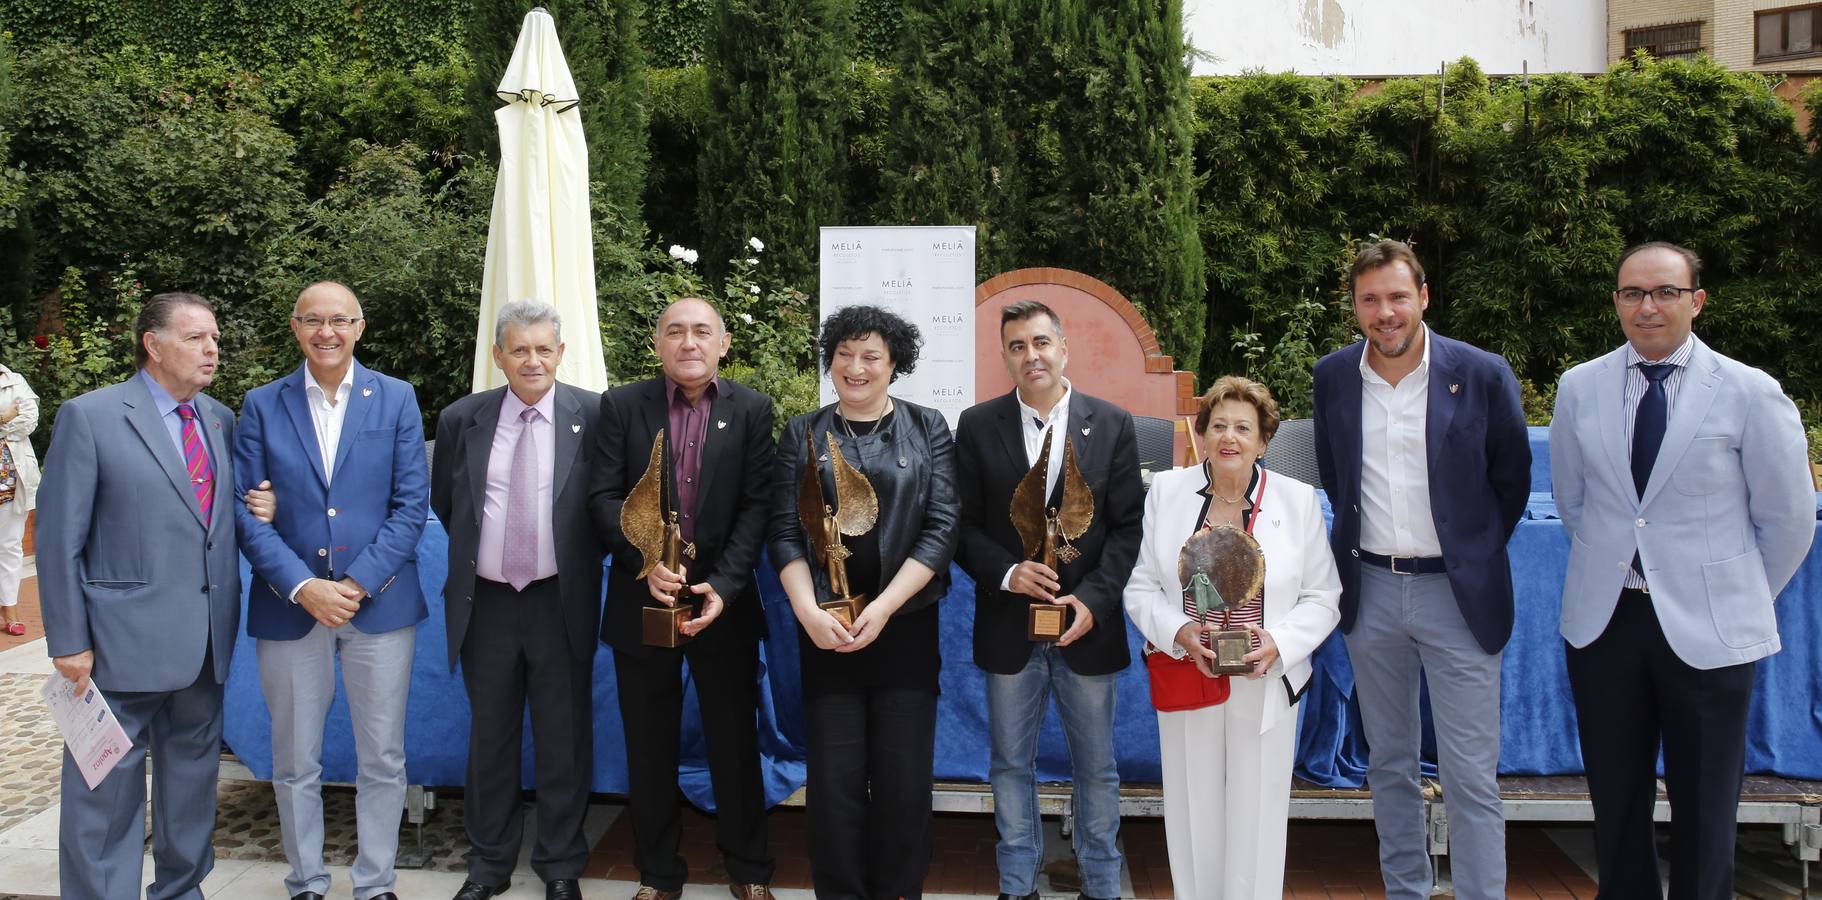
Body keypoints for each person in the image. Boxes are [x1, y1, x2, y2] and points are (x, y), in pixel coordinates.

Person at [1550, 241, 1814, 899]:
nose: (1648, 306)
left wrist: (1732, 594)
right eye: (1633, 293)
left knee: (1705, 810)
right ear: (1616, 302)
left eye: (1665, 292)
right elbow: (1574, 500)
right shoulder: (1580, 386)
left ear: (1696, 300)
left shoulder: (1752, 392)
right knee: (1615, 805)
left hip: (1712, 631)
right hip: (1606, 624)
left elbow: (1788, 522)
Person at [1311, 239, 1531, 900]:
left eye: (1397, 297)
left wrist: (1469, 552)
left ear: (1424, 297)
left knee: (1468, 772)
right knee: (1390, 764)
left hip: (1456, 597)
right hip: (1371, 592)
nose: (1385, 312)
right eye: (1370, 299)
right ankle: (1405, 890)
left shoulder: (1482, 373)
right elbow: (1335, 472)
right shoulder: (1333, 376)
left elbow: (1511, 479)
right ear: (1354, 308)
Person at [38, 292, 242, 900]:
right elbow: (57, 540)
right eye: (195, 338)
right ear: (153, 345)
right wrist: (68, 640)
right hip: (115, 649)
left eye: (214, 338)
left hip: (203, 647)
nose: (211, 349)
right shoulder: (90, 416)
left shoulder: (219, 420)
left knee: (191, 789)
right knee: (104, 796)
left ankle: (182, 891)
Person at [233, 281, 428, 900]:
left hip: (380, 604)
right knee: (294, 763)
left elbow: (410, 507)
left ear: (360, 327)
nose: (327, 332)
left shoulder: (396, 398)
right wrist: (302, 586)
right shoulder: (261, 404)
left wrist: (354, 584)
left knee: (383, 758)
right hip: (290, 609)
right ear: (294, 327)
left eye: (340, 320)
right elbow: (244, 512)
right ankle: (306, 882)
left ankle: (376, 883)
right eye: (313, 320)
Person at [588, 298, 778, 900]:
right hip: (642, 600)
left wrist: (724, 583)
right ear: (657, 344)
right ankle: (658, 874)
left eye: (701, 332)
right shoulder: (620, 406)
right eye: (675, 331)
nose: (688, 342)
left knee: (734, 744)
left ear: (723, 344)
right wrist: (643, 563)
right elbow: (601, 497)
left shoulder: (752, 409)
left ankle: (748, 870)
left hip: (721, 604)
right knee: (650, 745)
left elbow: (757, 505)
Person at [767, 304, 959, 899]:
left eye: (871, 355)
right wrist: (807, 611)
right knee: (835, 782)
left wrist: (884, 608)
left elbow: (942, 525)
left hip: (904, 630)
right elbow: (782, 530)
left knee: (903, 783)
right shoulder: (802, 432)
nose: (856, 367)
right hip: (827, 630)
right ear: (830, 362)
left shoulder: (929, 428)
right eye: (844, 354)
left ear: (894, 363)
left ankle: (899, 889)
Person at [1124, 375, 1340, 899]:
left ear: (1264, 441)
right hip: (1187, 671)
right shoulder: (1167, 493)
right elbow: (1141, 587)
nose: (1230, 437)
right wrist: (1180, 631)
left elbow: (1323, 596)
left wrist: (1281, 643)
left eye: (1244, 428)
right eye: (1219, 425)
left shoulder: (1297, 500)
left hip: (1267, 680)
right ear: (1202, 433)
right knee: (1193, 809)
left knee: (1258, 813)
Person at [953, 300, 1141, 900]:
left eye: (1040, 342)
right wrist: (1008, 572)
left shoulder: (1112, 423)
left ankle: (1103, 885)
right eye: (1016, 346)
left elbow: (1128, 528)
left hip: (1088, 627)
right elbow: (961, 526)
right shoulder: (977, 426)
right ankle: (1017, 885)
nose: (1030, 355)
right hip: (1009, 624)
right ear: (1004, 357)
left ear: (1063, 348)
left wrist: (1094, 600)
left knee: (1098, 769)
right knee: (1010, 766)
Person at [430, 300, 604, 900]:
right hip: (489, 604)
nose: (533, 360)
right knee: (491, 740)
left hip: (562, 601)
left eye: (543, 348)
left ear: (561, 353)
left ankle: (560, 866)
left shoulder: (597, 415)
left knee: (563, 739)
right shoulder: (461, 419)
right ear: (498, 356)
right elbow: (447, 507)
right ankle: (488, 867)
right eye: (519, 349)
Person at [0, 361, 40, 637]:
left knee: (10, 546)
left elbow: (29, 419)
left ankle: (10, 610)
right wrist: (4, 417)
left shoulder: (13, 379)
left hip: (11, 480)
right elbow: (15, 419)